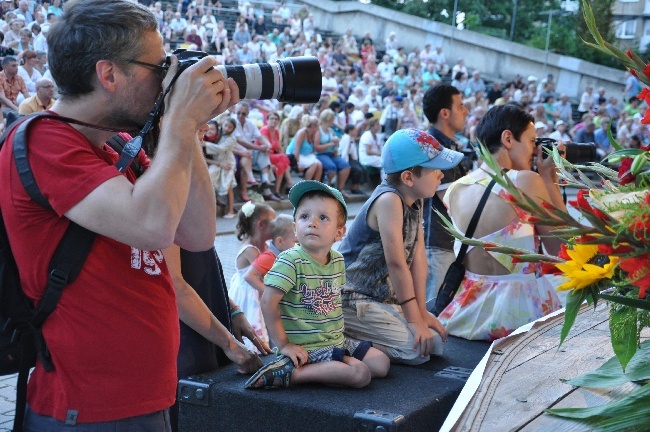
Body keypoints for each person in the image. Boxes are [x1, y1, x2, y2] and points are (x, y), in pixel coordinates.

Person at [0, 0, 240, 429]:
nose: (167, 79)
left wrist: (187, 126)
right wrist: (180, 120)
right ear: (108, 74)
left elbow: (197, 231)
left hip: (146, 397)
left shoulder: (116, 145)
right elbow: (151, 225)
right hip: (87, 408)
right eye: (158, 67)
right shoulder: (43, 143)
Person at [246, 181, 390, 389]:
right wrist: (284, 345)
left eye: (323, 218)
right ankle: (289, 374)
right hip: (306, 348)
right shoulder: (291, 260)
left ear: (339, 232)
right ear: (295, 229)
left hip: (335, 342)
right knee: (360, 374)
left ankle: (325, 366)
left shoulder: (338, 260)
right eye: (304, 216)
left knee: (381, 364)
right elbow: (268, 302)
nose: (312, 223)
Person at [438, 104, 564, 341]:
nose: (534, 150)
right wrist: (550, 179)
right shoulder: (524, 181)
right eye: (531, 141)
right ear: (508, 138)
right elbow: (560, 249)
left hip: (466, 313)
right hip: (520, 314)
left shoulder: (456, 189)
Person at [339, 129, 464, 364]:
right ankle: (339, 338)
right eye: (435, 169)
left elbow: (418, 259)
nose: (441, 175)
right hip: (354, 299)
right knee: (416, 352)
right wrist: (414, 321)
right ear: (408, 178)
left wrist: (420, 312)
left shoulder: (415, 199)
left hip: (382, 299)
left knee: (434, 343)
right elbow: (396, 263)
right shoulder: (389, 200)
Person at [421, 84, 469, 309]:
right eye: (460, 106)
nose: (466, 111)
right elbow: (451, 198)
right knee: (431, 313)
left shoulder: (446, 145)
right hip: (439, 244)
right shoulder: (433, 147)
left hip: (448, 243)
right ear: (445, 113)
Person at [241, 213, 296, 342]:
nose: (300, 246)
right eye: (296, 242)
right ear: (280, 241)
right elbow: (249, 276)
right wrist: (267, 292)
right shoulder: (269, 257)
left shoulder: (285, 254)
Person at [229, 202, 276, 351]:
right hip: (250, 294)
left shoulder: (266, 246)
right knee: (255, 322)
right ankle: (254, 351)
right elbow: (262, 273)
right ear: (261, 225)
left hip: (257, 290)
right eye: (274, 223)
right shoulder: (251, 250)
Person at [232, 101, 278, 201]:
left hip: (248, 152)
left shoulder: (250, 123)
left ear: (247, 114)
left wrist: (267, 145)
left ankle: (265, 181)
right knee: (248, 155)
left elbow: (260, 137)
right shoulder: (233, 121)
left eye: (243, 113)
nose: (240, 115)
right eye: (238, 112)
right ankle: (256, 184)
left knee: (264, 153)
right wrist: (259, 148)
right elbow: (240, 141)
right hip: (236, 152)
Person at [204, 117, 237, 218]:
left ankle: (231, 210)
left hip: (227, 163)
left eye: (229, 127)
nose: (227, 128)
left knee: (229, 185)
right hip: (218, 162)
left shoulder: (230, 138)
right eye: (225, 125)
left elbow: (221, 149)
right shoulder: (218, 136)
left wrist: (205, 144)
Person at [314, 108, 350, 193]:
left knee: (345, 166)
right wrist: (331, 144)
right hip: (321, 154)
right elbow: (316, 147)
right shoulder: (318, 130)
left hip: (332, 153)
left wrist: (336, 143)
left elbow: (336, 144)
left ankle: (340, 190)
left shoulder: (330, 130)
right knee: (331, 167)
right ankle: (328, 188)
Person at [260, 110, 293, 199]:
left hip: (274, 156)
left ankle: (277, 191)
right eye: (271, 119)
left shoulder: (276, 132)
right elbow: (267, 148)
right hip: (263, 156)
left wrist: (286, 163)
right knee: (283, 158)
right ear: (267, 120)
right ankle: (290, 181)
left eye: (276, 119)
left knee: (282, 164)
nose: (274, 121)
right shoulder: (264, 130)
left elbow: (279, 148)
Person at [286, 114, 324, 181]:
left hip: (305, 155)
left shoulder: (313, 133)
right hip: (294, 154)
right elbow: (296, 149)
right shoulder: (302, 133)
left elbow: (313, 149)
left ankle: (316, 187)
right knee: (314, 164)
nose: (318, 128)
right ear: (313, 126)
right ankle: (306, 186)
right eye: (317, 126)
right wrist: (297, 163)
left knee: (319, 165)